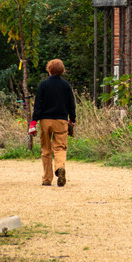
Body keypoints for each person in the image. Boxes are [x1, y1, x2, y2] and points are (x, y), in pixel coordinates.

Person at [28, 59, 76, 187]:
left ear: (49, 70)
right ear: (62, 70)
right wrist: (72, 119)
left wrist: (33, 122)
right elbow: (71, 104)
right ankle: (60, 167)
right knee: (60, 148)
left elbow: (38, 104)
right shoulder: (66, 86)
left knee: (46, 150)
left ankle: (47, 179)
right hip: (61, 121)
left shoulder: (43, 85)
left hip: (45, 121)